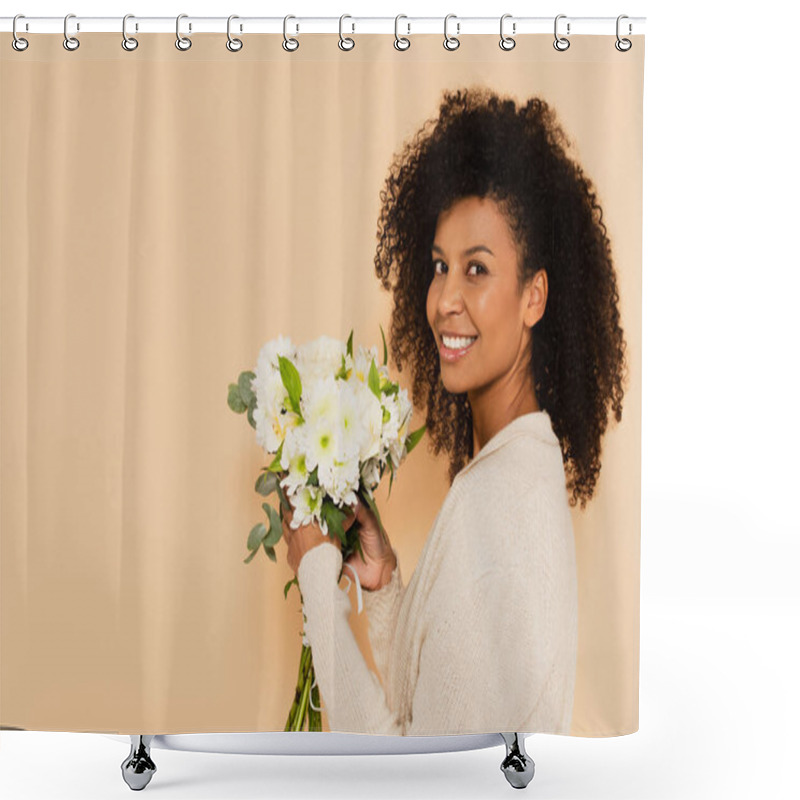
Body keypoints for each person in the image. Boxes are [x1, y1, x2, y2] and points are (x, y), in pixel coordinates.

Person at [282, 86, 628, 736]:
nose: (443, 298)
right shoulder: (521, 468)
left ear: (534, 296)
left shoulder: (495, 501)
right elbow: (446, 714)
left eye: (477, 269)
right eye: (440, 266)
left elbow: (409, 771)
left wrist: (315, 576)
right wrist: (382, 591)